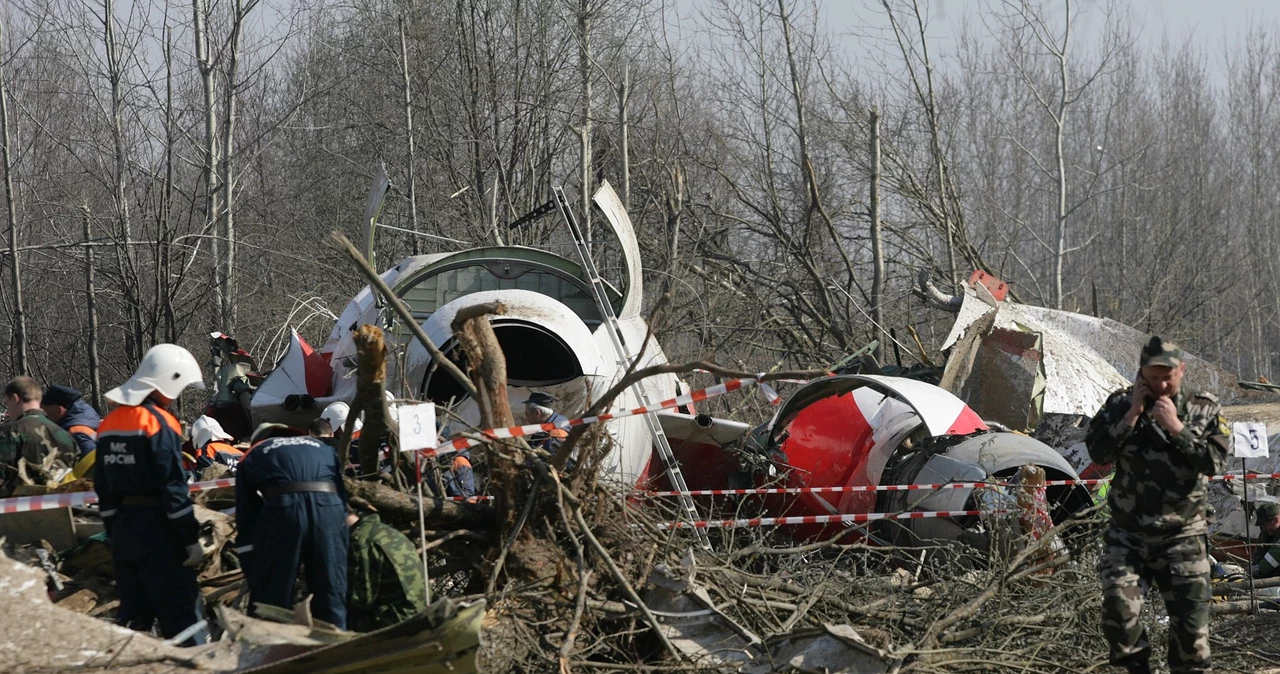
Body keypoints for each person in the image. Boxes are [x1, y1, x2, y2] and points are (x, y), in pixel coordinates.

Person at [1086, 336, 1228, 674]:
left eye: (1168, 376)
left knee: (1191, 635)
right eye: (1153, 377)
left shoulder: (1202, 407)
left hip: (1183, 535)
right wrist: (1131, 416)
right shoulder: (1121, 404)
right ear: (1141, 373)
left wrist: (1176, 428)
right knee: (1119, 620)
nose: (1161, 384)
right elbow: (1098, 454)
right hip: (1128, 535)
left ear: (1182, 370)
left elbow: (1215, 464)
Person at [94, 344, 209, 645]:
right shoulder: (160, 423)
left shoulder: (108, 425)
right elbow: (172, 486)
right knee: (181, 616)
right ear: (168, 380)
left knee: (133, 622)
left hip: (123, 531)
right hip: (159, 531)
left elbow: (103, 489)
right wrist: (189, 537)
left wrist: (114, 533)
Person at [234, 423, 349, 629]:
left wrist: (254, 570)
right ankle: (335, 640)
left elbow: (247, 516)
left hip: (284, 508)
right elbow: (341, 496)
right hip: (329, 507)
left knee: (272, 594)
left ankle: (270, 643)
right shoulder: (322, 447)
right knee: (331, 587)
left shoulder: (253, 453)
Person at [345, 502, 427, 632]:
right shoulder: (385, 530)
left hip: (396, 620)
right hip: (420, 610)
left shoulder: (360, 540)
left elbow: (361, 600)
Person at [0, 377, 80, 495]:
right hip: (61, 509)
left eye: (7, 403)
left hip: (16, 509)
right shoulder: (67, 436)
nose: (8, 409)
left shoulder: (7, 433)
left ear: (15, 398)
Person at [41, 384, 100, 459]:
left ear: (60, 410)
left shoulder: (77, 433)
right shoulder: (86, 419)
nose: (44, 413)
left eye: (45, 409)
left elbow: (92, 463)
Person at [1252, 502, 1280, 579]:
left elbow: (1277, 551)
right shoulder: (1265, 534)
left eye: (1265, 525)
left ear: (1276, 520)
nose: (1263, 528)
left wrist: (1258, 568)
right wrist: (1253, 567)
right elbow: (1259, 553)